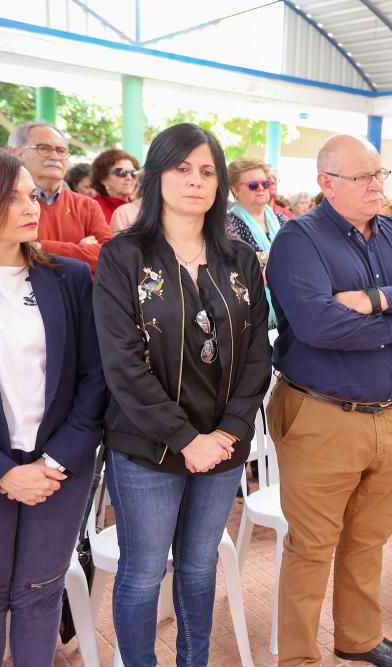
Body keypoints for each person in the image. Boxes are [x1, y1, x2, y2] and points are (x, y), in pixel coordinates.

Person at [265, 134, 392, 667]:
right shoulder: (300, 240)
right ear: (327, 183)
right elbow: (318, 323)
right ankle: (299, 658)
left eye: (380, 174)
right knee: (311, 547)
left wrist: (379, 300)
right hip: (322, 416)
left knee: (369, 538)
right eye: (364, 177)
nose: (379, 185)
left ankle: (358, 637)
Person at [93, 123, 272, 666]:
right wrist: (184, 439)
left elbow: (258, 354)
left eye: (208, 171)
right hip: (149, 445)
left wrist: (231, 432)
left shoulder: (239, 258)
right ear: (157, 175)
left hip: (222, 445)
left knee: (198, 567)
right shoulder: (123, 256)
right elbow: (121, 365)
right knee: (145, 572)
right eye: (182, 168)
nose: (196, 180)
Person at [0, 149, 107, 666]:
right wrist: (3, 472)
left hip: (59, 466)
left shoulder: (67, 277)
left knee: (40, 591)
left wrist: (55, 461)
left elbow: (94, 376)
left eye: (30, 194)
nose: (30, 205)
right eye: (11, 196)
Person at [6, 121, 112, 274]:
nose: (55, 156)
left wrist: (40, 246)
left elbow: (110, 256)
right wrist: (81, 250)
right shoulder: (3, 202)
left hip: (79, 295)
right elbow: (9, 255)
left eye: (61, 150)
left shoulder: (87, 205)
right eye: (43, 148)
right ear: (16, 153)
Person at [226, 158, 287, 328]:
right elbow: (241, 267)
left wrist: (264, 259)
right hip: (249, 314)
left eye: (265, 183)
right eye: (253, 185)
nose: (261, 188)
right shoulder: (227, 224)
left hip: (288, 310)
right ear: (234, 190)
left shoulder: (283, 220)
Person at [90, 148, 140, 223]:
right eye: (121, 172)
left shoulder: (141, 206)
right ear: (103, 179)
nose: (129, 177)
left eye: (133, 173)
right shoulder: (92, 207)